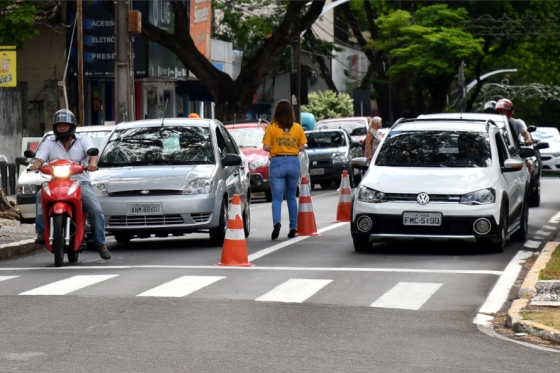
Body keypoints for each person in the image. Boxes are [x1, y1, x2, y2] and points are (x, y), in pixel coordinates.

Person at [29, 109, 111, 260]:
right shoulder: (49, 142)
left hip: (80, 182)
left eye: (65, 125)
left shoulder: (83, 140)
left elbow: (92, 154)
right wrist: (35, 165)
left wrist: (92, 163)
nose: (62, 128)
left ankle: (100, 243)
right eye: (59, 125)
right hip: (56, 182)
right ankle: (41, 231)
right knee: (40, 195)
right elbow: (40, 158)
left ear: (72, 125)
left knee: (95, 209)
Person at [262, 100, 307, 240]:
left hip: (277, 162)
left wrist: (276, 146)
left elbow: (265, 147)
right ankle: (293, 227)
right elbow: (302, 147)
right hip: (293, 162)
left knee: (277, 197)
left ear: (277, 112)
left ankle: (277, 223)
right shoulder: (297, 128)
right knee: (291, 197)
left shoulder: (272, 127)